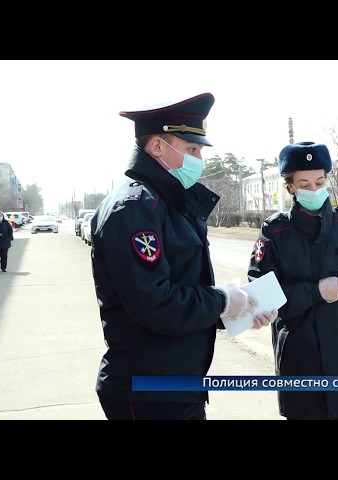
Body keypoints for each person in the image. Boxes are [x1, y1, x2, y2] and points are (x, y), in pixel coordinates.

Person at [91, 92, 278, 420]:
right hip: (149, 390)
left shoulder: (166, 203)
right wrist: (221, 300)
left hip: (175, 384)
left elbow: (182, 288)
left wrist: (238, 310)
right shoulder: (135, 209)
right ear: (158, 147)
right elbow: (154, 304)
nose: (199, 159)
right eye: (191, 149)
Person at [248, 141, 338, 420]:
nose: (314, 190)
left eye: (320, 181)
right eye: (304, 183)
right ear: (290, 187)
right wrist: (316, 291)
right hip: (299, 353)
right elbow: (260, 294)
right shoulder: (275, 232)